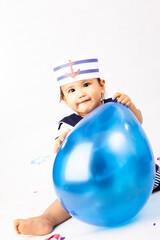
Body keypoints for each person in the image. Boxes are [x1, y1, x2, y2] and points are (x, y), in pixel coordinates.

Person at [14, 57, 160, 236]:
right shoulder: (69, 124)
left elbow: (137, 124)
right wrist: (60, 141)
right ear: (65, 99)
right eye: (72, 90)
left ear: (102, 86)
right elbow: (63, 147)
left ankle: (126, 195)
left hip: (134, 174)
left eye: (86, 85)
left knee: (148, 180)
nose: (81, 93)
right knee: (69, 199)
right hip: (91, 184)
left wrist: (130, 107)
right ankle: (47, 219)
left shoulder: (115, 106)